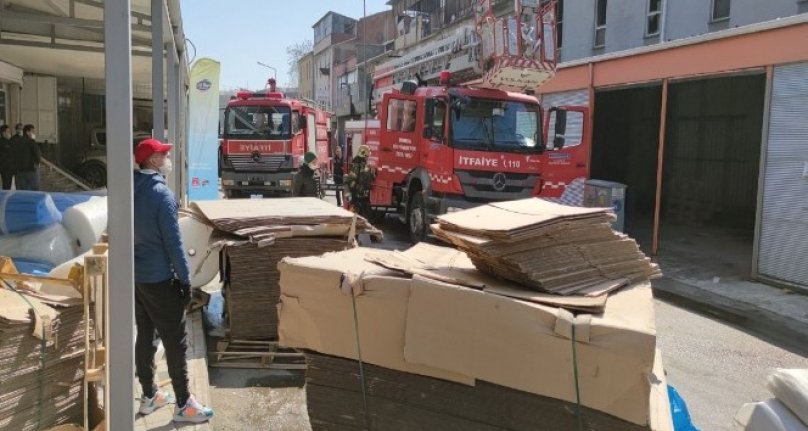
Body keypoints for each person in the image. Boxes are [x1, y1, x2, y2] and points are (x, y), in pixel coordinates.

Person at [133, 138, 213, 423]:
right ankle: (183, 405)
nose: (168, 157)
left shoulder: (130, 188)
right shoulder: (162, 196)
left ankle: (149, 395)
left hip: (138, 279)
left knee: (145, 335)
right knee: (176, 342)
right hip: (160, 279)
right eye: (163, 154)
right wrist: (185, 279)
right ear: (152, 161)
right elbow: (174, 243)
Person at [344, 144, 376, 217]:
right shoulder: (356, 165)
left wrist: (373, 174)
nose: (368, 157)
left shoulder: (365, 165)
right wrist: (359, 188)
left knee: (364, 217)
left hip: (364, 197)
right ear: (363, 154)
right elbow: (351, 181)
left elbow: (369, 178)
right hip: (357, 198)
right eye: (367, 156)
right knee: (355, 218)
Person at [13, 124, 41, 191]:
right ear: (27, 132)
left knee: (22, 192)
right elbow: (37, 155)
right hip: (31, 170)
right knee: (34, 191)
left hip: (19, 171)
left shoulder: (17, 141)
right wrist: (38, 162)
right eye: (32, 131)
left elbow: (13, 155)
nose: (34, 133)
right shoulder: (31, 142)